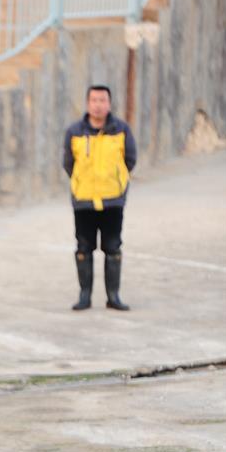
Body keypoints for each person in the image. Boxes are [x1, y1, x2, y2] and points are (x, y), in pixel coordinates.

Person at [63, 85, 137, 311]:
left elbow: (130, 159)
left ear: (109, 104)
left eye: (102, 100)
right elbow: (68, 163)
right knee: (84, 248)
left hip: (112, 199)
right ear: (87, 104)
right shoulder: (75, 131)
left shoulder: (121, 129)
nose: (98, 105)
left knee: (112, 248)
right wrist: (80, 183)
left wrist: (117, 181)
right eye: (94, 100)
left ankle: (113, 296)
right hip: (84, 200)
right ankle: (84, 296)